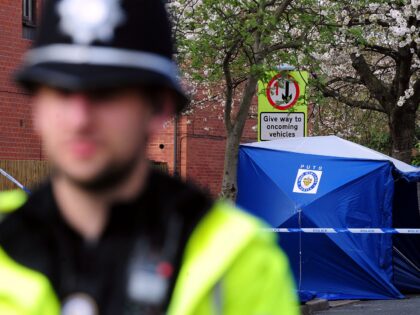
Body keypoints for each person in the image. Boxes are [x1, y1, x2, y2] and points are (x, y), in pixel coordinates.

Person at [0, 0, 299, 314]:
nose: (79, 119)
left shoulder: (238, 256)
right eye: (60, 92)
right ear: (36, 107)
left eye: (106, 93)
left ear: (159, 107)